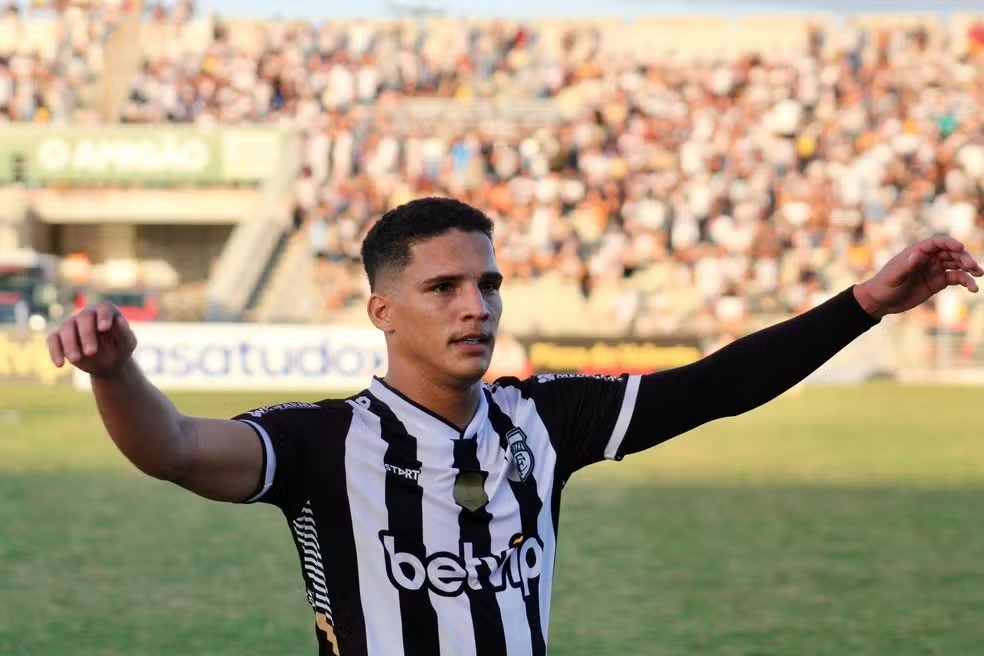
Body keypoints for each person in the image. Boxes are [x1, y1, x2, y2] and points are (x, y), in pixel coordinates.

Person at [48, 197, 982, 656]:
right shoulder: (319, 442)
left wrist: (863, 304)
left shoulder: (545, 418)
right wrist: (116, 371)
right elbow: (173, 448)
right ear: (382, 311)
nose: (476, 307)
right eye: (444, 287)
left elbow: (715, 388)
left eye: (488, 284)